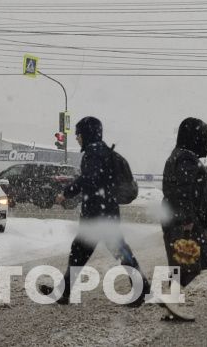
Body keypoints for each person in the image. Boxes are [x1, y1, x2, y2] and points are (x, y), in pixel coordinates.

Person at [40, 116, 150, 306]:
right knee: (94, 251)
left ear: (87, 134)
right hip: (107, 211)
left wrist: (66, 193)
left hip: (97, 214)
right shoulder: (105, 152)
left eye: (78, 134)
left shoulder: (93, 154)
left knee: (92, 251)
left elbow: (88, 179)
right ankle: (64, 292)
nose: (77, 138)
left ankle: (143, 290)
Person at [161, 117, 207, 321]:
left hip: (177, 217)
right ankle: (171, 300)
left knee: (183, 264)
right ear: (193, 137)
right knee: (188, 265)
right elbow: (184, 192)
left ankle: (171, 306)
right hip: (183, 220)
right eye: (202, 136)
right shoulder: (186, 158)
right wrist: (186, 219)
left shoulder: (181, 155)